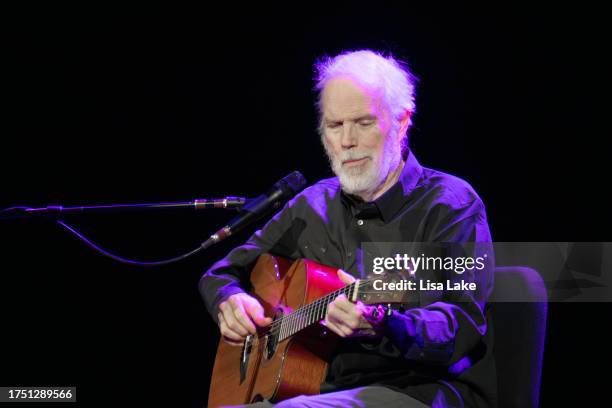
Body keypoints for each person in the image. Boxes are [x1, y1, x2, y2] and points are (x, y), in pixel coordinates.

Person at [199, 50, 495, 408]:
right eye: (334, 126)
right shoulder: (311, 205)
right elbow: (221, 272)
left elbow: (459, 324)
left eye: (364, 123)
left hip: (415, 390)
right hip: (314, 390)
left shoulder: (450, 204)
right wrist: (229, 300)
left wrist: (384, 325)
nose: (347, 141)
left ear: (402, 123)